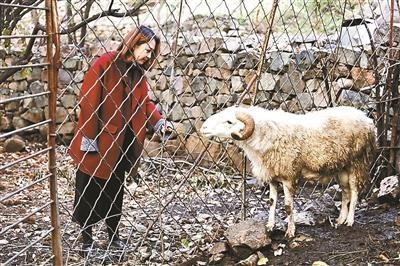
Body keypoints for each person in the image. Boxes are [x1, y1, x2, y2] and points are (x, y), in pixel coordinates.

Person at [68, 25, 172, 256]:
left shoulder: (137, 72)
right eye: (147, 50)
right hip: (98, 142)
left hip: (122, 145)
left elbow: (144, 102)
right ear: (134, 43)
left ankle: (114, 237)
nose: (149, 56)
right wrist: (89, 140)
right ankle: (87, 241)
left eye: (152, 52)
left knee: (115, 192)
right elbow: (89, 102)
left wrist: (159, 122)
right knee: (89, 190)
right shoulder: (106, 63)